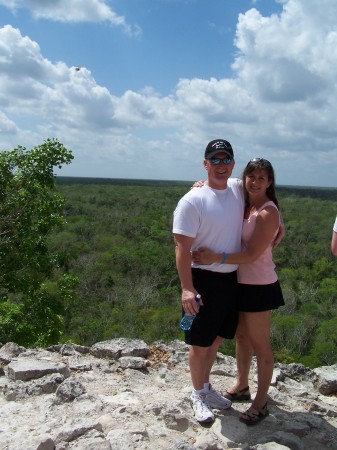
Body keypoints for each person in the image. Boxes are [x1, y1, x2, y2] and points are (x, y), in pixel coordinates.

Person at [192, 157, 285, 426]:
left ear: (269, 182)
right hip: (237, 282)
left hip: (258, 285)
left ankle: (261, 401)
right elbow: (219, 183)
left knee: (260, 344)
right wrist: (201, 185)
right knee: (242, 338)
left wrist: (214, 257)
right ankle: (242, 385)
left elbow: (252, 254)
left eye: (262, 178)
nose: (255, 182)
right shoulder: (244, 203)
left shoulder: (267, 211)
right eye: (251, 177)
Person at [172, 139, 244, 423]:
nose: (221, 165)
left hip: (229, 280)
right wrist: (187, 288)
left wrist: (280, 223)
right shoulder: (192, 200)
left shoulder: (238, 188)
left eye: (226, 159)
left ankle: (206, 387)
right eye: (215, 160)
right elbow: (181, 248)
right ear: (205, 164)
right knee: (198, 344)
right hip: (201, 280)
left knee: (214, 341)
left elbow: (264, 193)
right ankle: (197, 394)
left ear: (233, 164)